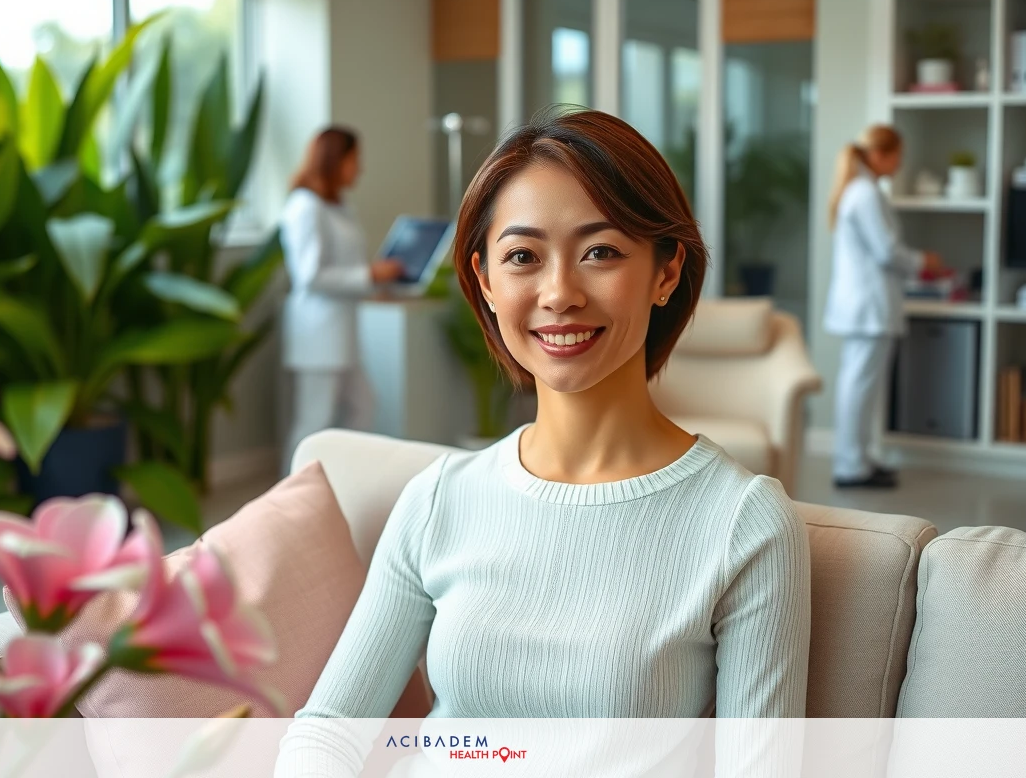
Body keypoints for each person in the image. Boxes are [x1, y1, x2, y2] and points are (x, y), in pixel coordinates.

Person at [275, 110, 810, 775]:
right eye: (523, 257)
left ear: (666, 271)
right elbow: (327, 732)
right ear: (487, 282)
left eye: (602, 252)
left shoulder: (744, 523)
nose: (559, 293)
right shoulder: (439, 501)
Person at [280, 127, 404, 475]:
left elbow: (344, 266)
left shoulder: (338, 204)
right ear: (337, 160)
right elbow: (311, 275)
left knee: (363, 404)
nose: (359, 169)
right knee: (313, 421)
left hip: (343, 333)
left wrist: (372, 284)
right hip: (317, 334)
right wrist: (369, 275)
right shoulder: (305, 207)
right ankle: (292, 496)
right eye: (355, 160)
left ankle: (345, 479)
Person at [823, 124, 941, 489]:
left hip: (865, 304)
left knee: (861, 386)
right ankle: (850, 465)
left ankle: (859, 458)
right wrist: (924, 262)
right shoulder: (865, 194)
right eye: (897, 155)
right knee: (859, 386)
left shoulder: (862, 191)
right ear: (879, 154)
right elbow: (887, 250)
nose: (900, 163)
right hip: (867, 306)